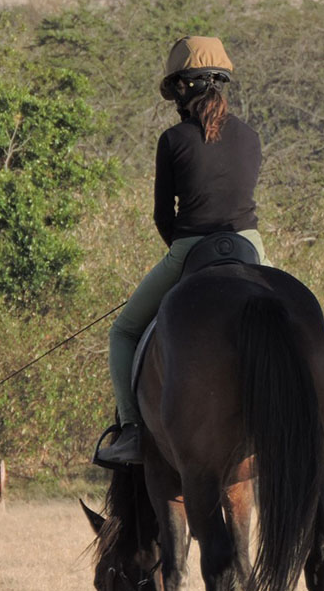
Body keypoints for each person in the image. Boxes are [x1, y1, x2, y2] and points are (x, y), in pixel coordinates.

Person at [96, 36, 267, 465]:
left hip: (191, 246)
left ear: (181, 89)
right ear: (221, 85)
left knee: (123, 332)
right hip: (250, 245)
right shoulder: (251, 138)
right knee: (289, 317)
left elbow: (162, 215)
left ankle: (133, 431)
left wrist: (186, 255)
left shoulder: (172, 140)